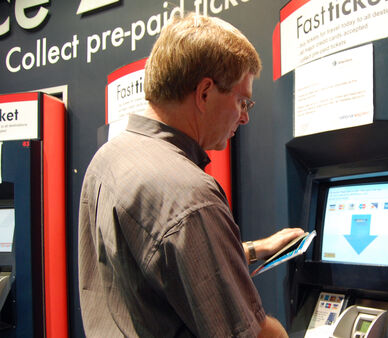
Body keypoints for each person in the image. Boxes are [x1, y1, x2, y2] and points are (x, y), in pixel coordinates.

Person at [78, 13, 304, 337]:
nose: (244, 118)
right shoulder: (190, 194)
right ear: (205, 93)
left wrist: (255, 249)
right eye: (242, 101)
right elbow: (248, 333)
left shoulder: (108, 159)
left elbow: (160, 264)